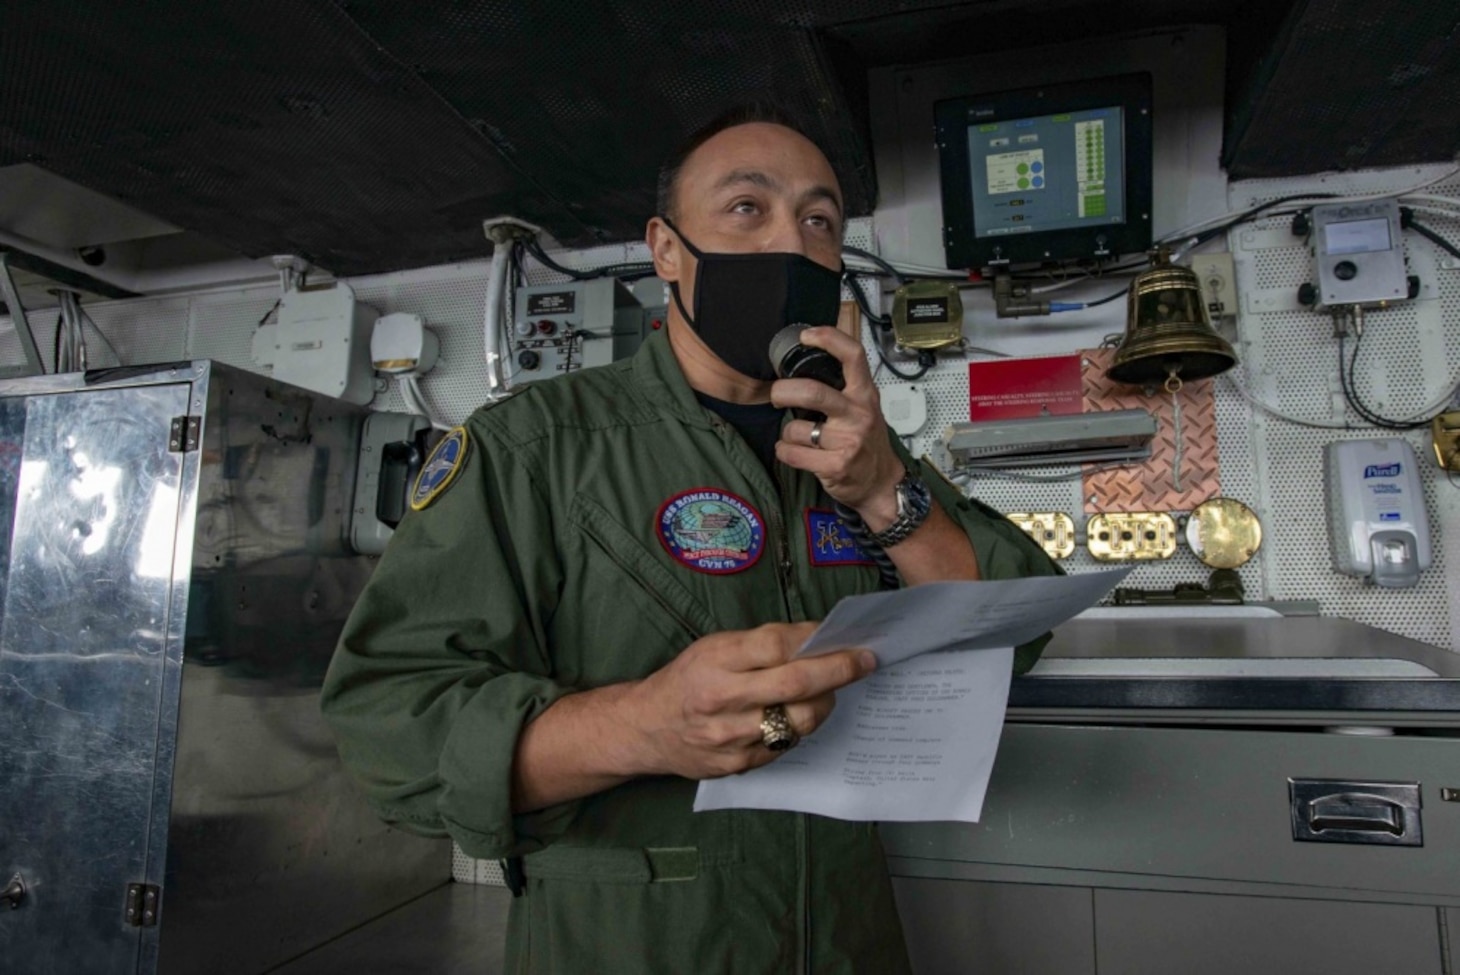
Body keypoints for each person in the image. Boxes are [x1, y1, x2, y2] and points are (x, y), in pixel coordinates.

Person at [320, 103, 1058, 974]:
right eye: (748, 208)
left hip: (846, 937)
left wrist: (883, 488)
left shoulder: (855, 448)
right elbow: (387, 727)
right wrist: (644, 727)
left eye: (819, 220)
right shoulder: (533, 448)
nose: (792, 241)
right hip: (632, 945)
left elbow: (1010, 628)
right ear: (666, 248)